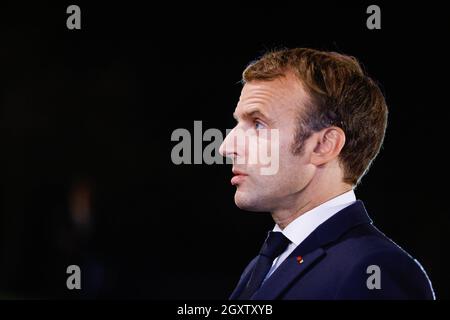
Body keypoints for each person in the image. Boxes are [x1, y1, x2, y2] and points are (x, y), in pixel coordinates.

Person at [219, 48, 435, 300]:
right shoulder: (262, 265)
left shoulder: (376, 270)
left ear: (324, 146)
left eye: (258, 124)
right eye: (238, 123)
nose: (227, 147)